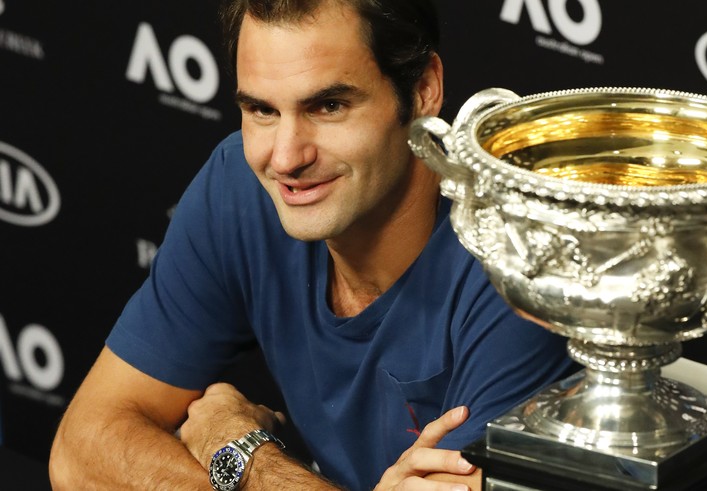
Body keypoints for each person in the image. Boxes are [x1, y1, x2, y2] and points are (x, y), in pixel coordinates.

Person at [48, 0, 576, 489]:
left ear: (422, 91)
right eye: (261, 110)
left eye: (328, 106)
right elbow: (78, 454)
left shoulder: (515, 256)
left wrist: (237, 450)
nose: (285, 158)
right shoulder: (240, 190)